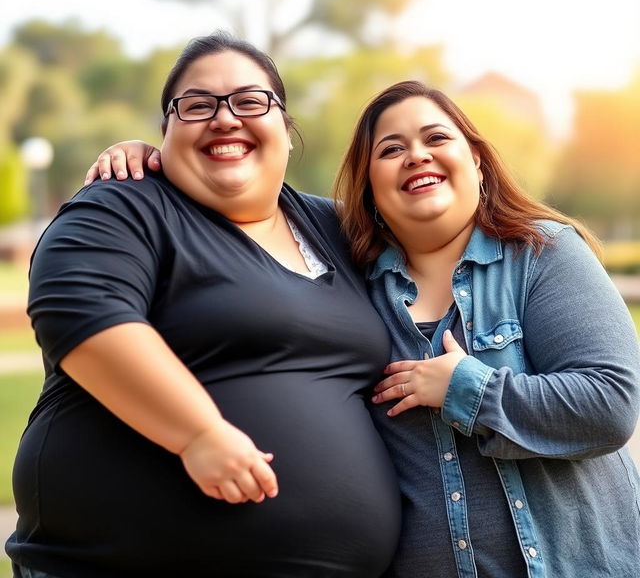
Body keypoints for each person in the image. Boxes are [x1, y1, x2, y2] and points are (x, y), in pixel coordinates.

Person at [91, 79, 640, 578]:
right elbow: (249, 195)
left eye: (435, 138)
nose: (415, 156)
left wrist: (464, 388)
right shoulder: (346, 279)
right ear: (370, 184)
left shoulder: (541, 254)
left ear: (475, 161)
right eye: (391, 149)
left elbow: (611, 406)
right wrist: (157, 164)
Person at [6, 33, 402, 578]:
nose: (224, 119)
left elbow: (442, 232)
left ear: (285, 129)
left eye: (249, 101)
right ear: (164, 133)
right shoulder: (123, 205)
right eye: (196, 106)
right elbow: (80, 312)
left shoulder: (339, 228)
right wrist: (198, 433)